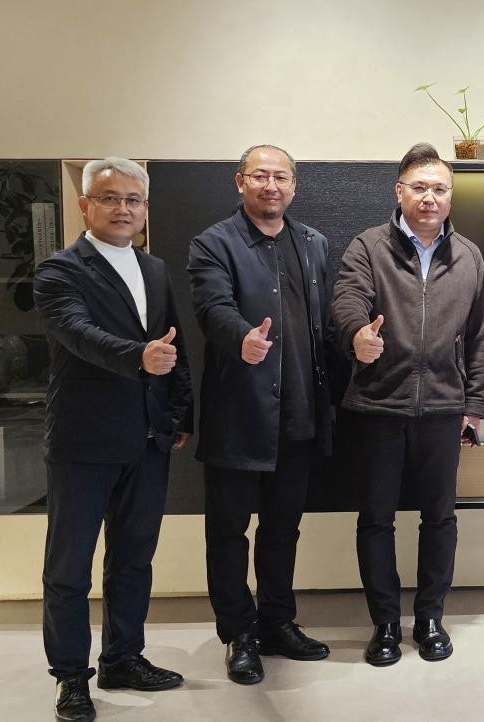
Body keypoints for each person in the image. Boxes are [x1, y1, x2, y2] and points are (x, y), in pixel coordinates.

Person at [33, 157, 193, 721]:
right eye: (109, 198)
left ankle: (123, 658)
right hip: (82, 441)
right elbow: (77, 334)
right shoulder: (58, 271)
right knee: (69, 569)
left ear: (144, 208)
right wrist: (137, 357)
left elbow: (174, 344)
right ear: (85, 205)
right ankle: (71, 678)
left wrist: (179, 413)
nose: (122, 208)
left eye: (133, 199)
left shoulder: (154, 268)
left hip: (147, 440)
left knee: (133, 560)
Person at [333, 143, 484, 666]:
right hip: (379, 404)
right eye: (420, 187)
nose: (430, 197)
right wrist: (357, 335)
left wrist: (473, 405)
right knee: (376, 519)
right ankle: (384, 623)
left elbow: (480, 337)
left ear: (450, 196)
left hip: (444, 408)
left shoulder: (468, 257)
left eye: (440, 189)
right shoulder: (369, 246)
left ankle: (429, 619)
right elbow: (347, 299)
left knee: (440, 518)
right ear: (399, 191)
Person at [188, 145, 339, 685]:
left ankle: (277, 622)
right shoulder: (213, 243)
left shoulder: (314, 243)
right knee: (228, 532)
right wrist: (242, 338)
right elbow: (212, 308)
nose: (271, 185)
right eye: (260, 176)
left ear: (294, 186)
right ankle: (239, 634)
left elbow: (325, 322)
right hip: (240, 414)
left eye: (281, 177)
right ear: (240, 182)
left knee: (282, 530)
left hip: (300, 413)